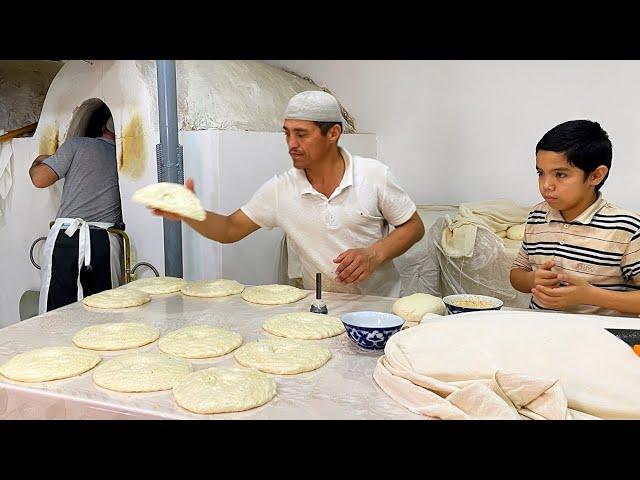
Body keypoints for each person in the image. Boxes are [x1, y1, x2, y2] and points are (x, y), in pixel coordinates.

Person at [153, 91, 424, 297]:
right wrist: (190, 212)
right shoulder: (281, 190)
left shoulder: (374, 175)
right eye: (287, 133)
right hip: (321, 308)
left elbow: (413, 227)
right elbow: (229, 229)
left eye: (302, 134)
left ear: (333, 133)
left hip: (380, 306)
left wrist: (373, 255)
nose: (291, 144)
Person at [510, 119, 640, 316]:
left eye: (560, 174)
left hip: (600, 338)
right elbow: (517, 272)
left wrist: (590, 296)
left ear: (596, 176)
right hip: (540, 331)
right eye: (540, 173)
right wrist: (532, 280)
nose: (546, 185)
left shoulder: (627, 228)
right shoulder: (538, 216)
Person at [30, 116, 124, 313]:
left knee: (57, 313)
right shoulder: (120, 155)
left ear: (100, 128)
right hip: (106, 242)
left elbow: (40, 179)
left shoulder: (77, 145)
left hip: (68, 240)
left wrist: (38, 161)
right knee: (103, 313)